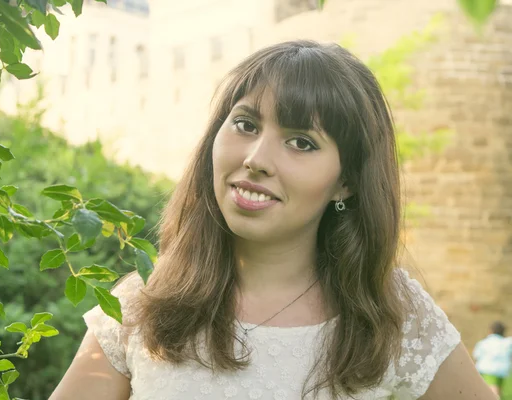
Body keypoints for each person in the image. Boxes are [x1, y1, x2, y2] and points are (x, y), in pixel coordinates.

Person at [50, 40, 496, 399]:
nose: (257, 159)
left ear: (347, 182)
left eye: (301, 142)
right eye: (245, 124)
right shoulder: (144, 303)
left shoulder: (392, 313)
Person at [473, 321, 512, 397]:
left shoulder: (484, 342)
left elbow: (476, 355)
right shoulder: (507, 343)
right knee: (497, 390)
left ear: (490, 331)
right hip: (503, 371)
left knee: (492, 391)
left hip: (488, 370)